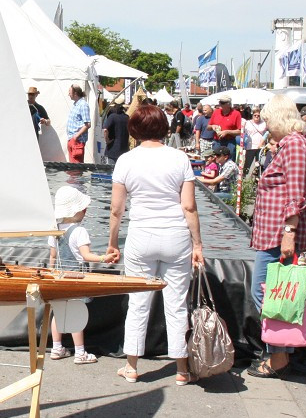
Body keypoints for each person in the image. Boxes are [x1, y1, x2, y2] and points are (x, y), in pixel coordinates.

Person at [105, 104, 204, 385]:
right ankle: (182, 370)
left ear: (134, 129)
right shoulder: (179, 159)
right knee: (176, 304)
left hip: (141, 235)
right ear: (164, 127)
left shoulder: (126, 160)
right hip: (176, 236)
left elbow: (116, 209)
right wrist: (198, 245)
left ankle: (132, 366)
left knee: (138, 303)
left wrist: (113, 244)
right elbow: (189, 206)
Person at [246, 95, 306, 378]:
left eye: (267, 120)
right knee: (274, 293)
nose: (265, 126)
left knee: (267, 293)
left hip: (279, 234)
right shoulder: (292, 145)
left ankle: (279, 356)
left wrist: (289, 232)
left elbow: (295, 195)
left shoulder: (295, 147)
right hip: (275, 233)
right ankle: (278, 353)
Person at [47, 186, 114, 364]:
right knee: (76, 314)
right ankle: (80, 353)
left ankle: (56, 348)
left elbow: (53, 256)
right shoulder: (79, 231)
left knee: (58, 313)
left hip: (58, 278)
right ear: (78, 210)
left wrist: (50, 275)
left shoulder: (54, 230)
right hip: (76, 279)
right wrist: (103, 257)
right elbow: (86, 256)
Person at [65, 84, 91, 163]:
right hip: (72, 139)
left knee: (76, 169)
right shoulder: (76, 104)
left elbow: (88, 124)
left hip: (77, 141)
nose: (68, 94)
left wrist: (76, 136)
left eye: (70, 92)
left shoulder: (83, 105)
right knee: (73, 167)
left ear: (75, 93)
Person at [241, 107, 268, 177]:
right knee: (247, 163)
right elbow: (242, 131)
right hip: (250, 146)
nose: (257, 117)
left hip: (260, 146)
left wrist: (262, 142)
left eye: (258, 115)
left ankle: (257, 177)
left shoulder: (264, 123)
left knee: (259, 163)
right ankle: (244, 177)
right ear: (252, 115)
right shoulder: (247, 123)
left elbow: (267, 133)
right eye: (255, 115)